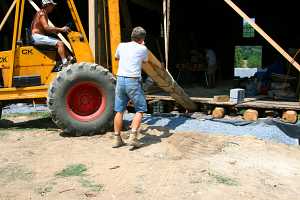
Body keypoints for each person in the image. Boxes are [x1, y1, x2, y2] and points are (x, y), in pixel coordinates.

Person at [113, 27, 148, 148]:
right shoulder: (143, 48)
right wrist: (142, 46)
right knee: (140, 109)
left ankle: (117, 139)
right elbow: (145, 61)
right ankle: (133, 137)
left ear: (132, 36)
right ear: (142, 38)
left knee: (119, 110)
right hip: (132, 80)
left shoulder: (121, 45)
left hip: (120, 79)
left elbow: (116, 57)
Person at [31, 0, 71, 67]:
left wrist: (56, 30)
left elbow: (45, 29)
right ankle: (65, 63)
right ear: (47, 5)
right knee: (59, 43)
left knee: (59, 42)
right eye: (52, 5)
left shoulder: (41, 13)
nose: (53, 7)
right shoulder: (42, 14)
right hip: (37, 37)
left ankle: (70, 57)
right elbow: (46, 27)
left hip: (38, 36)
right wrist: (61, 29)